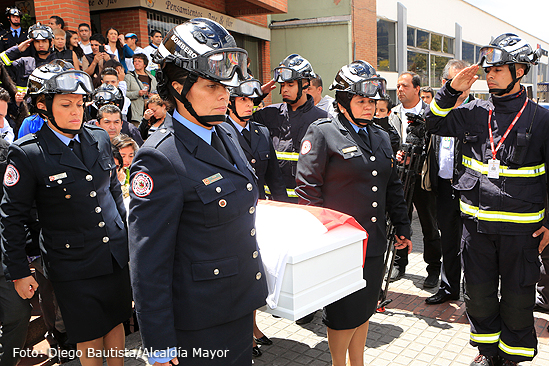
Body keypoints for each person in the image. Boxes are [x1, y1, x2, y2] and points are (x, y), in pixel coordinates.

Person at [129, 18, 267, 366]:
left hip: (237, 307)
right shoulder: (159, 158)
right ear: (178, 88)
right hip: (197, 324)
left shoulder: (226, 134)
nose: (225, 94)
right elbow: (149, 263)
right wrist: (159, 343)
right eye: (210, 86)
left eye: (225, 85)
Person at [426, 33, 548, 366]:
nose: (490, 74)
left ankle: (512, 358)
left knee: (517, 299)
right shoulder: (475, 111)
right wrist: (451, 89)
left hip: (521, 232)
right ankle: (488, 353)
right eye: (488, 69)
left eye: (498, 69)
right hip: (476, 228)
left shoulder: (541, 119)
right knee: (478, 296)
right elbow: (433, 122)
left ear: (519, 71)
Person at [1, 60, 131, 366]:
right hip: (72, 261)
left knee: (116, 321)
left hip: (112, 252)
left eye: (80, 103)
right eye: (66, 104)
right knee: (88, 332)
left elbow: (112, 190)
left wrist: (126, 235)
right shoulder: (28, 151)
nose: (76, 111)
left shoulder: (98, 137)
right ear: (44, 106)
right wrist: (18, 271)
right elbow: (12, 216)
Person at [296, 60, 412, 366]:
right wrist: (318, 240)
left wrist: (402, 226)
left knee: (365, 308)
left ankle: (357, 363)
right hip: (340, 243)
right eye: (361, 101)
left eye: (372, 101)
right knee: (343, 312)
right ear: (343, 102)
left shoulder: (382, 136)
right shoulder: (323, 132)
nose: (369, 107)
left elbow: (392, 185)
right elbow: (308, 190)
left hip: (373, 240)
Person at [425, 59, 474, 306]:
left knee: (472, 245)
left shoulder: (476, 111)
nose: (462, 88)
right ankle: (448, 288)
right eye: (456, 82)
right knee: (448, 241)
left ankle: (472, 293)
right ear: (445, 83)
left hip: (469, 191)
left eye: (466, 83)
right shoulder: (436, 112)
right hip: (443, 188)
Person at [388, 71, 441, 288]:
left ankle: (433, 268)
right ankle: (399, 264)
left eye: (404, 86)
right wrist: (397, 153)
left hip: (423, 179)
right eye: (398, 86)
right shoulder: (393, 113)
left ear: (417, 89)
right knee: (401, 222)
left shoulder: (431, 113)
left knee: (429, 225)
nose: (400, 89)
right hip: (400, 177)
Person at [252, 53, 327, 204]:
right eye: (282, 85)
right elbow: (239, 117)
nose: (284, 89)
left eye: (290, 85)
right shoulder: (269, 114)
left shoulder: (323, 119)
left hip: (305, 204)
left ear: (306, 85)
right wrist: (257, 95)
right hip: (272, 203)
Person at [0, 87, 30, 366]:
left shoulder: (7, 153)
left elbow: (13, 209)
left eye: (1, 116)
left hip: (3, 255)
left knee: (18, 317)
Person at [224, 77, 287, 202]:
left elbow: (275, 179)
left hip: (261, 206)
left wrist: (285, 206)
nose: (250, 104)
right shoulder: (219, 133)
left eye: (252, 99)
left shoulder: (262, 132)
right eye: (243, 99)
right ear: (229, 102)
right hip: (235, 209)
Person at [0, 23, 57, 91]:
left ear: (51, 43)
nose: (41, 45)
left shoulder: (59, 64)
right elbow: (1, 67)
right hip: (27, 101)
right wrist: (17, 49)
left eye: (44, 41)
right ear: (32, 43)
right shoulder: (24, 63)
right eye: (37, 42)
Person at [125, 53, 157, 126]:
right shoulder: (129, 77)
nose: (136, 63)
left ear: (144, 64)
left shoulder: (152, 78)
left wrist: (153, 96)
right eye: (135, 61)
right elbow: (125, 94)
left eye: (139, 61)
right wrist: (137, 93)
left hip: (150, 112)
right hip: (136, 112)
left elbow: (157, 93)